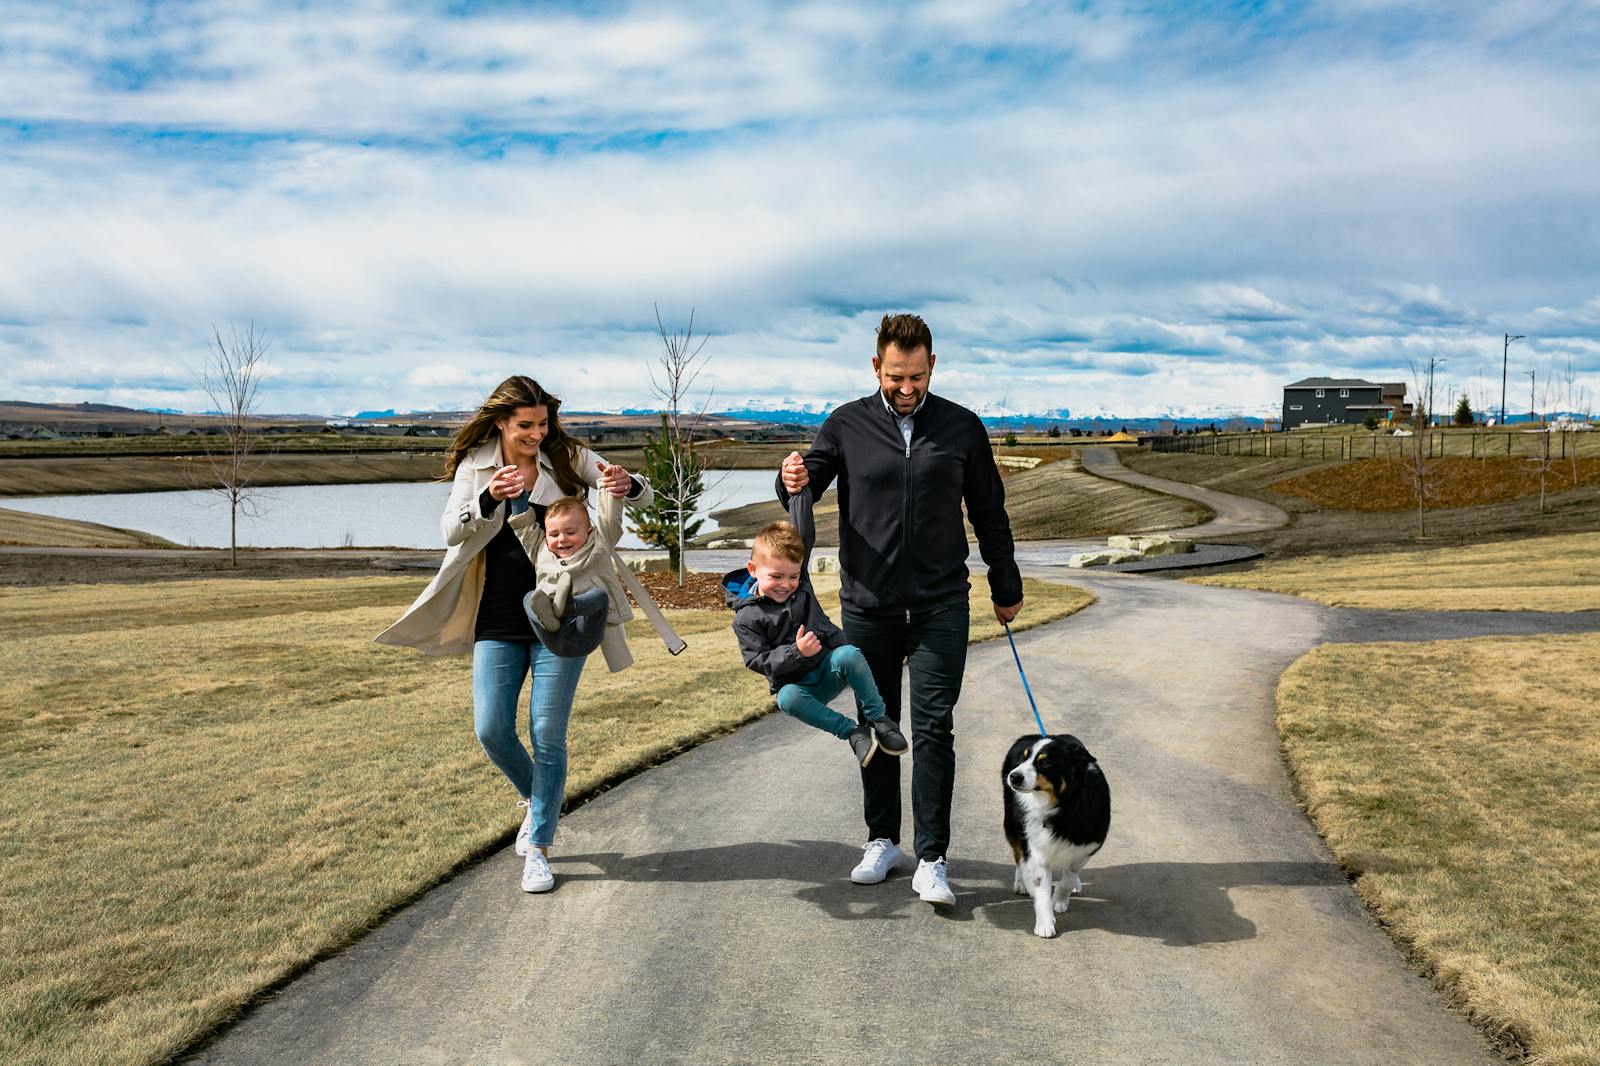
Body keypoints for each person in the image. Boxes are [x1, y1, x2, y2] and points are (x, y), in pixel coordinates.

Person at [778, 313, 1023, 907]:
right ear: (876, 367)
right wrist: (786, 478)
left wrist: (1005, 582)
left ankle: (932, 859)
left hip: (942, 604)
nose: (906, 387)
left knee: (934, 728)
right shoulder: (845, 425)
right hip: (869, 606)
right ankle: (882, 840)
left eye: (916, 375)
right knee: (876, 722)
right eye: (895, 376)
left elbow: (988, 510)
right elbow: (802, 484)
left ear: (932, 365)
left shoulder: (962, 427)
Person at [376, 375, 653, 895]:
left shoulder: (568, 455)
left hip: (563, 616)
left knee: (547, 733)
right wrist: (486, 498)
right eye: (525, 425)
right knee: (491, 728)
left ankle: (540, 849)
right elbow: (452, 531)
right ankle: (541, 799)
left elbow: (635, 487)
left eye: (543, 423)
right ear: (501, 422)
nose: (536, 433)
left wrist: (626, 485)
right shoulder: (476, 465)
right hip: (498, 614)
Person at [723, 491, 909, 765]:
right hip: (798, 686)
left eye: (793, 576)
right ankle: (853, 732)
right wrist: (797, 652)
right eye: (776, 576)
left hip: (828, 669)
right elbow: (757, 660)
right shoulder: (746, 617)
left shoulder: (802, 588)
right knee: (786, 699)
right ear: (753, 569)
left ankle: (880, 720)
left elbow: (803, 535)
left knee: (849, 653)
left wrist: (799, 492)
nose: (786, 584)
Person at [522, 494, 632, 666]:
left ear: (589, 532)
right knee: (529, 597)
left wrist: (608, 488)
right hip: (552, 634)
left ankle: (569, 605)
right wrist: (517, 499)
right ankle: (548, 616)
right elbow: (524, 528)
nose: (562, 539)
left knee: (600, 596)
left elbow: (610, 521)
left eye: (571, 532)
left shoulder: (599, 547)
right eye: (554, 534)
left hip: (584, 633)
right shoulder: (540, 550)